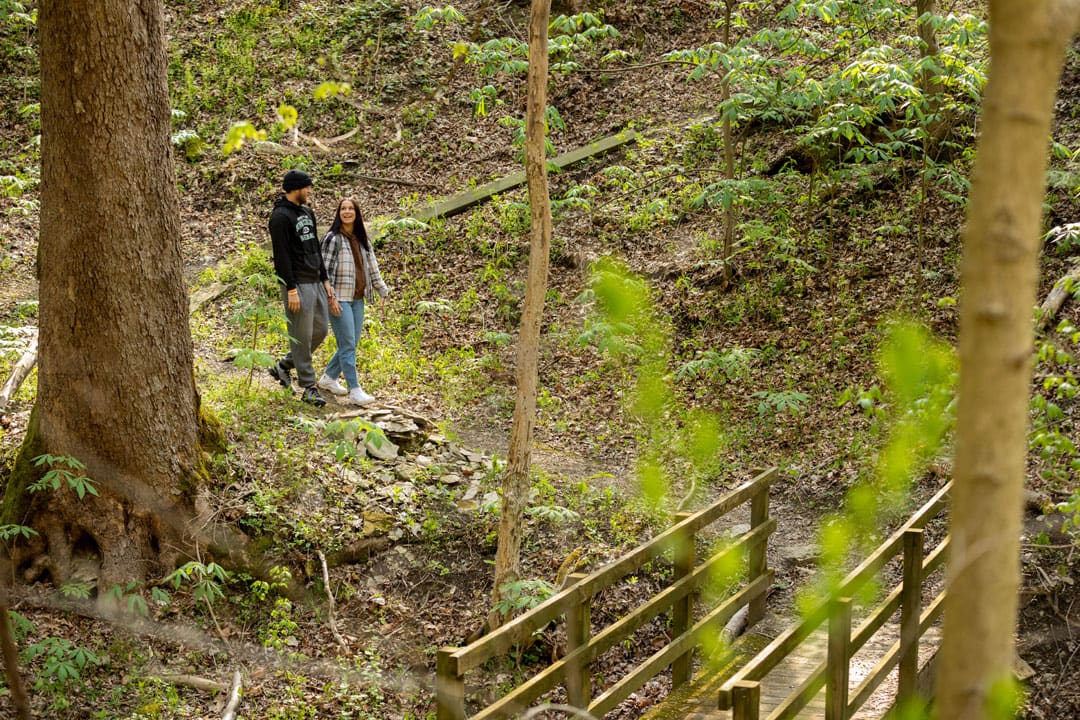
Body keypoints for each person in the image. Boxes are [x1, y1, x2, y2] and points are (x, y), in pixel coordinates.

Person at [266, 169, 339, 407]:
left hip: (315, 280)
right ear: (296, 188)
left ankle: (284, 365)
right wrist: (290, 288)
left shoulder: (307, 212)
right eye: (307, 187)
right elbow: (282, 256)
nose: (309, 191)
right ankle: (309, 387)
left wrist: (325, 279)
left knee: (319, 331)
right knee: (301, 336)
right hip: (296, 284)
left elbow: (315, 248)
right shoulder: (279, 217)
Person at [316, 196, 390, 406]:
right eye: (343, 209)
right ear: (339, 213)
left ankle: (329, 378)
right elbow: (324, 272)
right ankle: (354, 390)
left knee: (351, 343)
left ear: (356, 214)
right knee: (348, 344)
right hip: (339, 299)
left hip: (358, 299)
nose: (347, 212)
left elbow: (373, 268)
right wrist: (330, 299)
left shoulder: (362, 240)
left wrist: (382, 291)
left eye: (351, 209)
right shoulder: (332, 238)